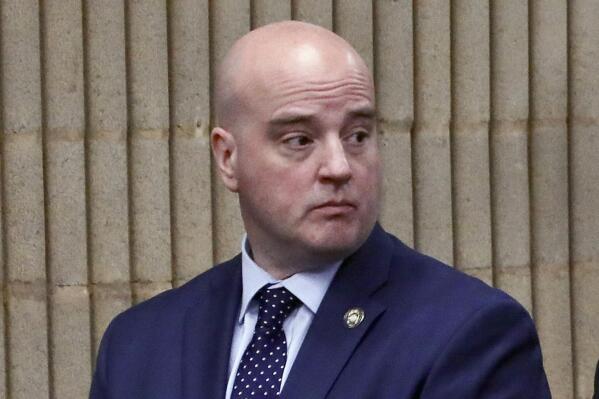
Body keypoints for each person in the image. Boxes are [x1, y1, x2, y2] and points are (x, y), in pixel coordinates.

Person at [90, 21, 551, 398]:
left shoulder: (471, 334)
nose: (339, 167)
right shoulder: (137, 346)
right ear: (228, 158)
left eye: (357, 136)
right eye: (300, 140)